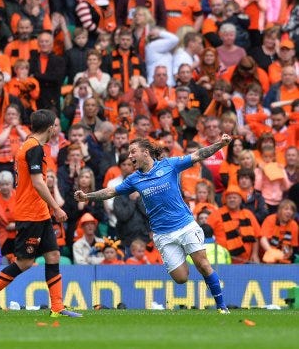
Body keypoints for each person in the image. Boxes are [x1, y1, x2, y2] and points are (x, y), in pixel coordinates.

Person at [75, 134, 234, 313]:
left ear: (146, 152)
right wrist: (88, 196)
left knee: (203, 264)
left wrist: (220, 144)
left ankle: (222, 307)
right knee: (181, 278)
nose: (130, 156)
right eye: (128, 153)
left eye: (133, 152)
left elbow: (198, 155)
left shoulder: (170, 165)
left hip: (185, 225)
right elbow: (111, 191)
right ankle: (183, 253)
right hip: (163, 234)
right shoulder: (134, 179)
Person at [0, 110, 81, 318]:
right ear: (50, 128)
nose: (56, 130)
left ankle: (57, 306)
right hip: (29, 213)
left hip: (38, 213)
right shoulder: (34, 149)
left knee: (53, 254)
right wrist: (57, 208)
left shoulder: (27, 146)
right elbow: (38, 182)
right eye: (55, 127)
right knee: (24, 262)